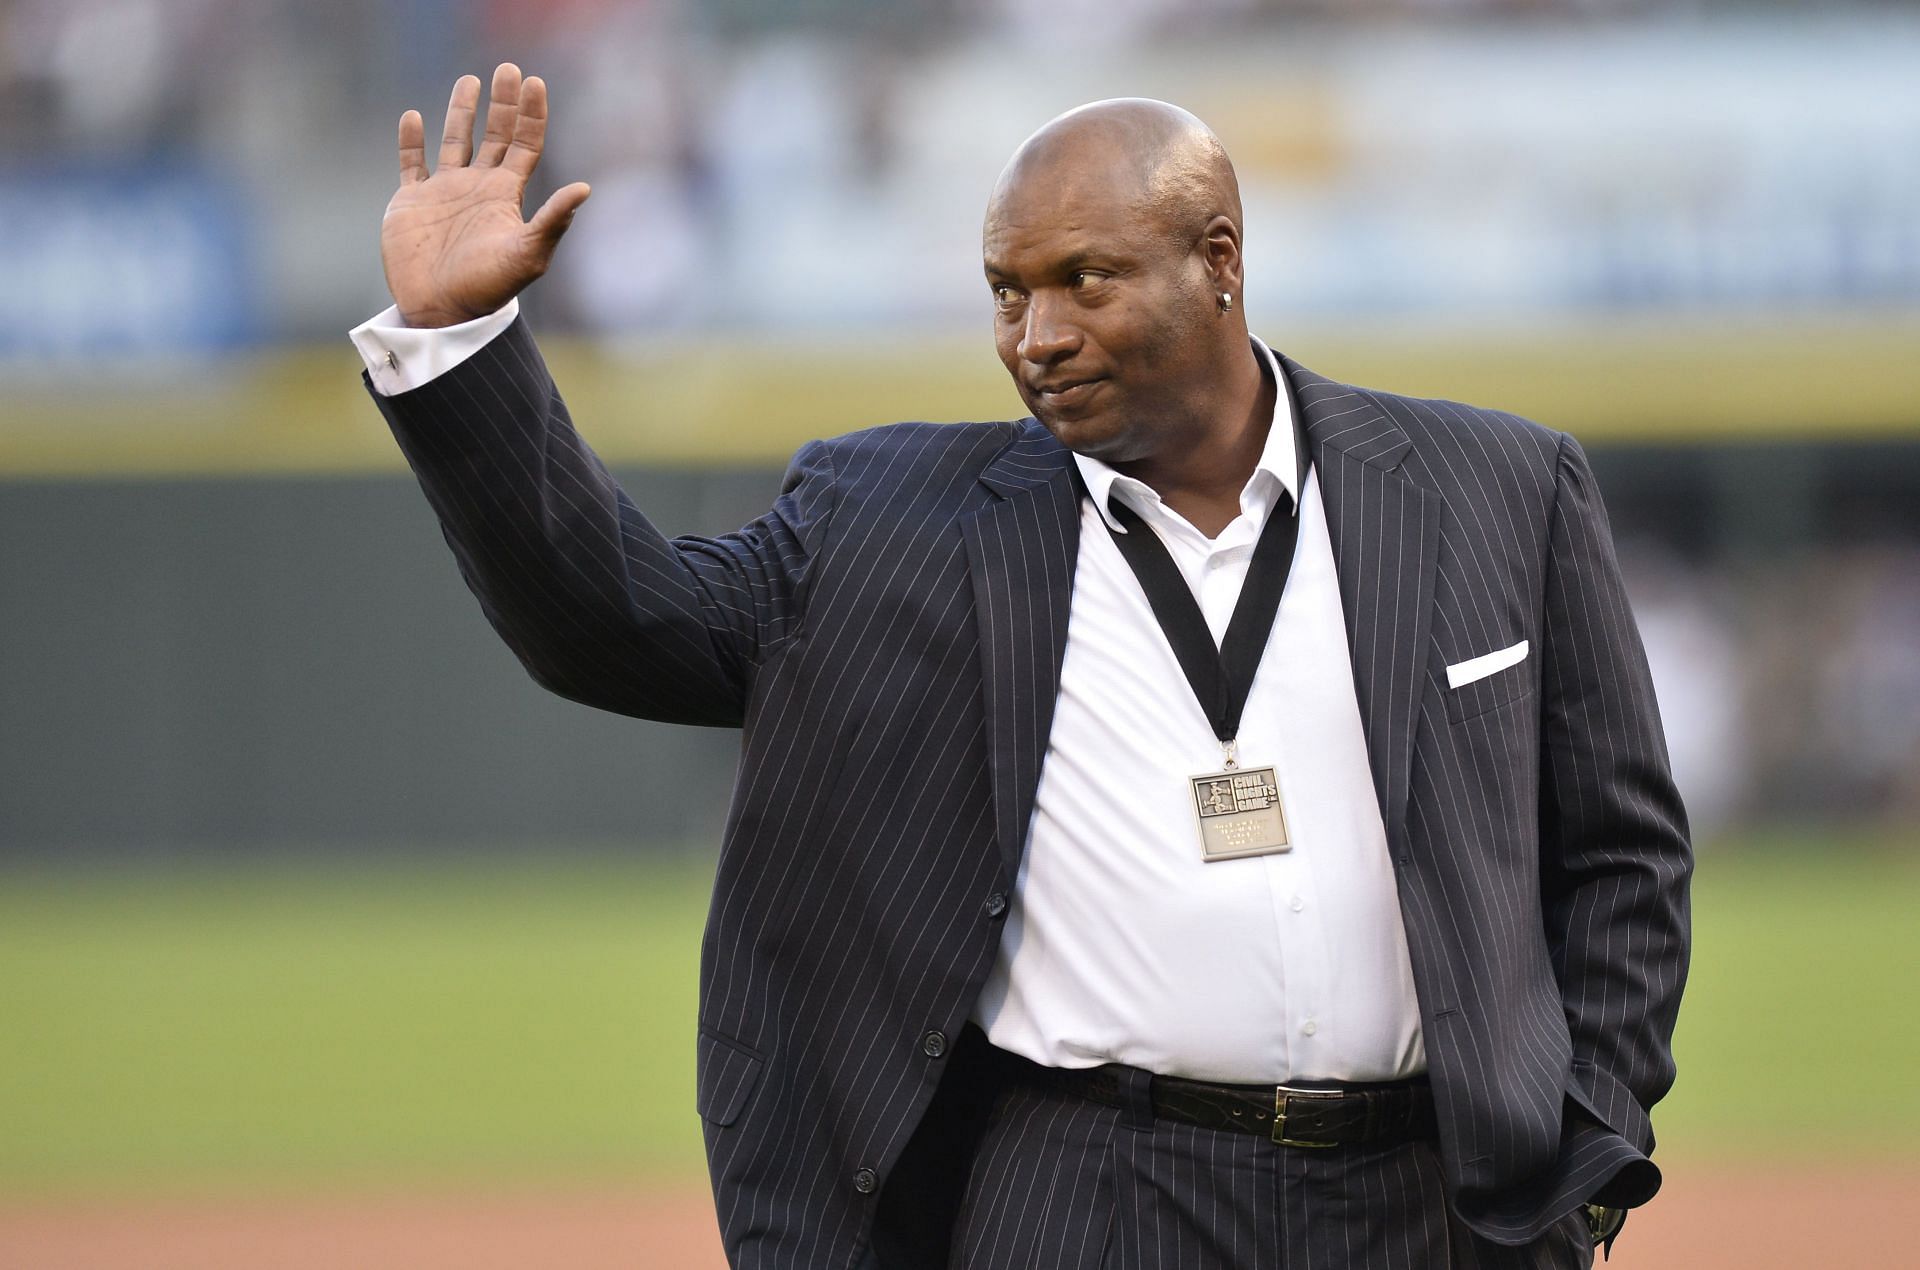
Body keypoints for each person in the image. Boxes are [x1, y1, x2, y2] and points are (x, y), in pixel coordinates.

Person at [354, 63, 1691, 1270]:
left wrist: (1585, 1156)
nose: (1036, 334)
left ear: (1218, 259)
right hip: (1083, 1191)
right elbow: (618, 620)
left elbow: (1623, 851)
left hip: (1427, 1203)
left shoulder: (1494, 489)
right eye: (1008, 290)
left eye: (1083, 279)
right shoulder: (887, 519)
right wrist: (463, 348)